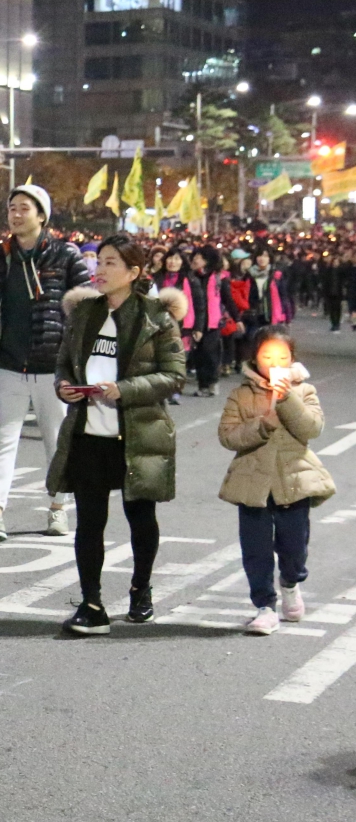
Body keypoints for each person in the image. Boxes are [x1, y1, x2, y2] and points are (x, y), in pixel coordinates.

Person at [47, 236, 187, 635]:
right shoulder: (84, 313)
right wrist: (64, 386)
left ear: (134, 272)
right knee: (89, 521)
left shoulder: (156, 317)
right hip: (89, 433)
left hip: (138, 434)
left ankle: (140, 589)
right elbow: (63, 362)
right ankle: (91, 604)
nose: (100, 270)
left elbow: (174, 375)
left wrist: (125, 389)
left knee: (140, 517)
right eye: (98, 261)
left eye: (111, 263)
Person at [0, 185, 90, 542]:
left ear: (42, 215)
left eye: (24, 208)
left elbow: (86, 308)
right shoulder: (4, 256)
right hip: (10, 363)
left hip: (53, 365)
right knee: (4, 437)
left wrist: (76, 357)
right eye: (12, 208)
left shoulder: (66, 255)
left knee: (56, 440)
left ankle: (58, 508)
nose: (16, 215)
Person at [218, 326, 334, 635]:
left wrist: (286, 399)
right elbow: (228, 436)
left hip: (293, 480)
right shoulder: (241, 394)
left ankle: (290, 583)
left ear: (292, 359)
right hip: (252, 482)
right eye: (266, 355)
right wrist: (261, 425)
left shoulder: (304, 391)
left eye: (282, 356)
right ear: (254, 358)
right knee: (255, 548)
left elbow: (312, 428)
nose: (274, 362)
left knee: (294, 547)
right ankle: (264, 607)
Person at [188, 246, 236, 397]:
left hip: (212, 323)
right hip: (195, 322)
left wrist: (237, 318)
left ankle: (212, 382)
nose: (196, 259)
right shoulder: (191, 277)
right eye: (195, 256)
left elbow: (228, 299)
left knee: (211, 354)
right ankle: (202, 385)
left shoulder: (218, 278)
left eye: (200, 257)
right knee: (198, 355)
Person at [157, 248, 195, 404]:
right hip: (159, 324)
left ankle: (175, 389)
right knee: (161, 358)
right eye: (170, 258)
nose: (173, 262)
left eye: (177, 259)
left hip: (182, 325)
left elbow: (197, 304)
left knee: (178, 359)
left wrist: (194, 326)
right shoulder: (157, 278)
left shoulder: (189, 280)